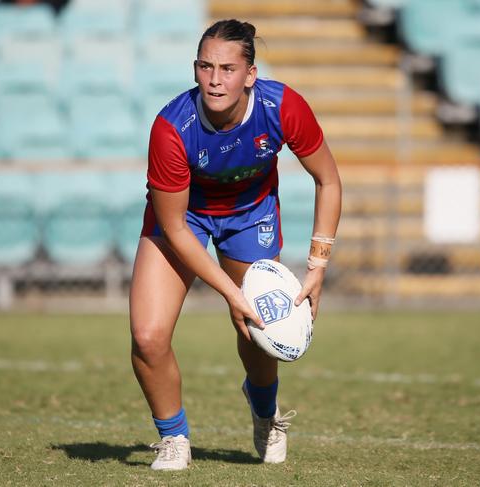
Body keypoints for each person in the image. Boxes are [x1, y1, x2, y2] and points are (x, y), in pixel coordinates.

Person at [130, 19, 342, 471]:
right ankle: (174, 439)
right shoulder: (171, 128)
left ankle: (265, 413)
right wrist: (230, 291)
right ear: (194, 69)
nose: (215, 79)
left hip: (251, 213)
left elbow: (328, 179)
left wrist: (318, 266)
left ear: (250, 74)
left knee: (256, 333)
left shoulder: (283, 106)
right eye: (206, 67)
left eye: (228, 68)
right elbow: (175, 228)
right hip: (183, 219)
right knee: (148, 337)